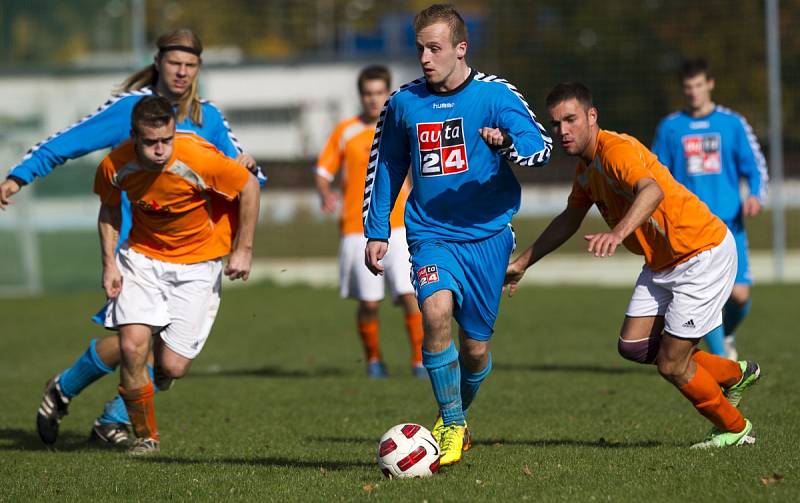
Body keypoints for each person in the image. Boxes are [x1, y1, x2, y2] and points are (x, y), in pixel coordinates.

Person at [0, 29, 262, 447]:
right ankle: (115, 420)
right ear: (158, 63)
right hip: (137, 249)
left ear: (198, 70)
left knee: (158, 356)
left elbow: (243, 178)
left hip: (195, 253)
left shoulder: (208, 118)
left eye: (190, 65)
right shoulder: (126, 111)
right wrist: (18, 177)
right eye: (174, 63)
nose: (181, 71)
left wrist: (247, 176)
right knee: (134, 341)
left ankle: (76, 393)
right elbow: (67, 142)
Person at [505, 82, 761, 448]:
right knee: (635, 346)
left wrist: (618, 232)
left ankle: (735, 428)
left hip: (700, 252)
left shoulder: (616, 151)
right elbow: (569, 219)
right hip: (663, 261)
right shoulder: (586, 170)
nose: (562, 130)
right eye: (555, 123)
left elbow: (652, 190)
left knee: (673, 363)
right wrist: (523, 263)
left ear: (592, 117)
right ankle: (734, 374)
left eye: (570, 119)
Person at [363, 4, 552, 466]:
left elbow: (540, 148)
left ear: (461, 48)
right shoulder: (403, 103)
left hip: (488, 237)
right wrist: (377, 228)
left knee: (475, 347)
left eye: (435, 48)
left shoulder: (495, 96)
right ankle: (452, 423)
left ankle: (453, 415)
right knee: (435, 311)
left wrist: (507, 145)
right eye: (420, 49)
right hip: (430, 233)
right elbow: (386, 166)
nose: (425, 58)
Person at [94, 95, 259, 454]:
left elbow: (249, 185)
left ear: (173, 132)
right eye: (150, 142)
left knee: (172, 366)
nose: (159, 150)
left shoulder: (197, 158)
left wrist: (243, 249)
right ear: (134, 137)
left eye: (165, 141)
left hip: (197, 265)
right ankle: (145, 437)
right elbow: (109, 211)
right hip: (141, 258)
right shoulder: (114, 165)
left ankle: (147, 374)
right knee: (131, 344)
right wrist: (109, 263)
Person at [652, 58, 768, 360]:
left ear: (710, 84)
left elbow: (755, 167)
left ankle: (725, 336)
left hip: (731, 225)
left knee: (740, 297)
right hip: (690, 230)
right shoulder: (670, 128)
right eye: (688, 87)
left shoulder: (732, 124)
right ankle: (723, 362)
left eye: (699, 85)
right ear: (683, 89)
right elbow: (655, 175)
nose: (693, 92)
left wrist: (756, 194)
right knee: (708, 298)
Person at [315, 65, 424, 379]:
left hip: (401, 225)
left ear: (388, 93)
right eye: (368, 94)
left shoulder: (402, 126)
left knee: (411, 295)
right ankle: (374, 361)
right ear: (360, 96)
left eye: (379, 93)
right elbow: (323, 172)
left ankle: (419, 362)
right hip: (357, 228)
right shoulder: (346, 131)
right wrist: (325, 192)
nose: (373, 99)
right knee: (370, 302)